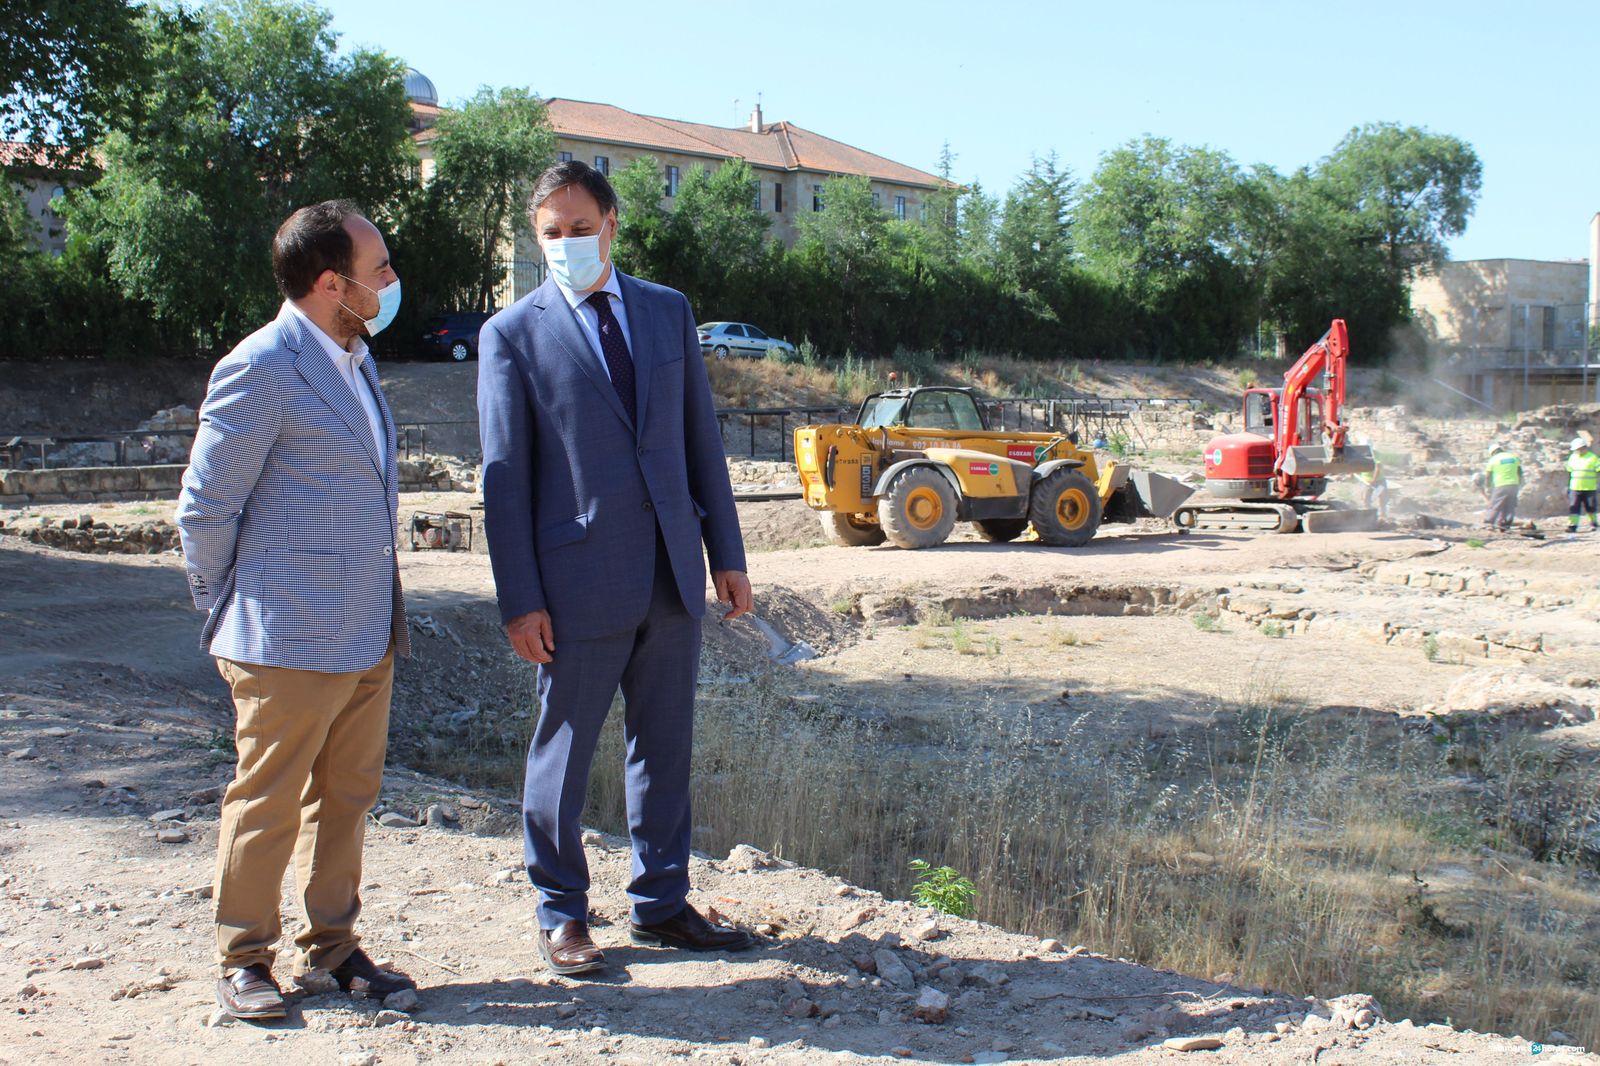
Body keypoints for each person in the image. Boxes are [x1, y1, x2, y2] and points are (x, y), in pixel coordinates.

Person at [478, 161, 755, 978]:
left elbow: (700, 440)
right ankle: (561, 916)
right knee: (560, 757)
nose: (566, 243)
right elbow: (504, 477)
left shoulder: (667, 313)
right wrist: (520, 599)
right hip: (573, 587)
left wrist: (727, 555)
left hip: (672, 573)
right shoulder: (512, 334)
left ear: (612, 224)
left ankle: (662, 904)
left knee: (663, 747)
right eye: (550, 233)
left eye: (579, 227)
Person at [176, 200, 415, 1020]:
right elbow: (205, 509)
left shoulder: (354, 358)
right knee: (267, 800)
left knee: (346, 797)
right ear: (330, 284)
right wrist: (224, 615)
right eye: (378, 270)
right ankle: (243, 956)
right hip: (282, 636)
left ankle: (334, 949)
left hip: (366, 631)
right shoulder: (264, 365)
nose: (390, 281)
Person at [1482, 442, 1522, 531]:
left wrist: (1487, 487)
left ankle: (1489, 523)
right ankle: (1505, 525)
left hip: (1501, 485)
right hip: (1513, 485)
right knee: (1510, 506)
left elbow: (1488, 475)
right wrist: (1520, 483)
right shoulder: (1513, 457)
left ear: (1492, 452)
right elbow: (1519, 472)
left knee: (1495, 504)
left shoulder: (1493, 459)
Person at [1567, 436, 1600, 533]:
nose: (1576, 451)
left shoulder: (1593, 458)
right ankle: (1572, 526)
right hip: (1575, 488)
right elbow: (1569, 469)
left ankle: (1593, 523)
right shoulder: (1572, 457)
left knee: (1590, 508)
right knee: (1573, 507)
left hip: (1589, 488)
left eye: (1577, 449)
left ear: (1583, 448)